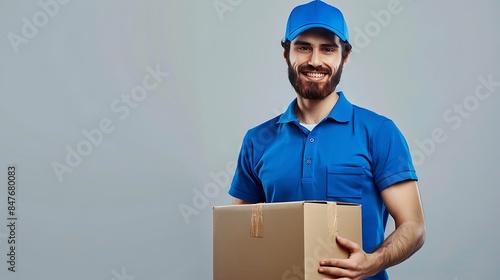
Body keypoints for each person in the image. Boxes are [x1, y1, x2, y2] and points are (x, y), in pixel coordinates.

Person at [228, 0, 425, 279]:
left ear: (345, 56)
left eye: (328, 49)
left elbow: (414, 226)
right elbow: (241, 233)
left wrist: (373, 261)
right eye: (303, 47)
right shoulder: (257, 140)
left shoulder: (379, 132)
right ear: (286, 54)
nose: (315, 61)